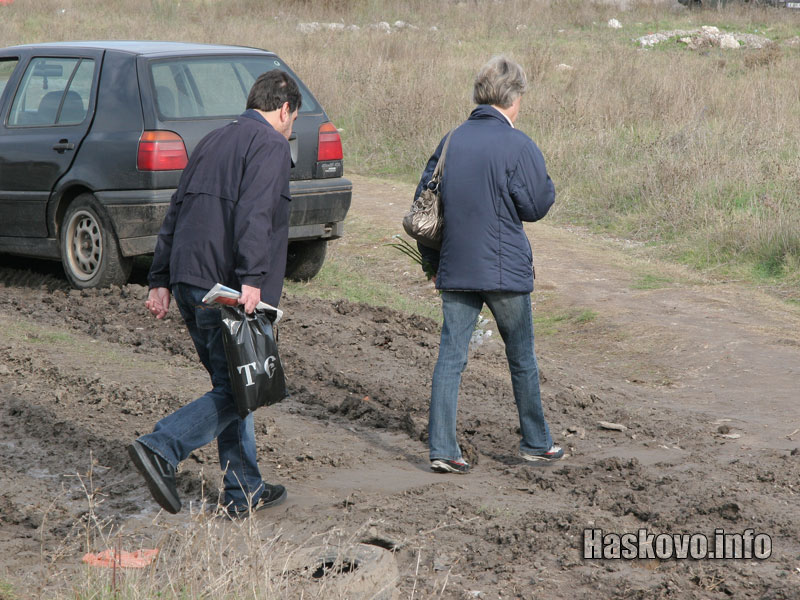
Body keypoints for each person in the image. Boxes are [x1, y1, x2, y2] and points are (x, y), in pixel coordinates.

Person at [127, 70, 300, 516]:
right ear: (284, 109)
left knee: (233, 384)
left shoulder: (211, 140)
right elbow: (257, 212)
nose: (291, 128)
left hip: (188, 280)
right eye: (293, 119)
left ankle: (245, 491)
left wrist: (160, 279)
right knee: (237, 389)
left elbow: (176, 209)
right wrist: (253, 278)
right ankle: (161, 446)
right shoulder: (271, 144)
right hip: (226, 288)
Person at [416, 55, 562, 474]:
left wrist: (432, 264)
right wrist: (546, 184)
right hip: (505, 273)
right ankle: (536, 442)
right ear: (513, 98)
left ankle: (443, 449)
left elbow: (425, 206)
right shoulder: (518, 144)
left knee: (450, 357)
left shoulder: (451, 140)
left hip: (457, 268)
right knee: (521, 358)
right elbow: (535, 206)